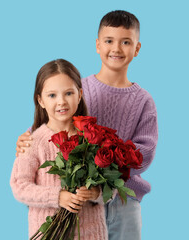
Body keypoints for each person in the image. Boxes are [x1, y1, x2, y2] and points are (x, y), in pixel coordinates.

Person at [15, 10, 158, 240]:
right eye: (109, 41)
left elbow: (146, 152)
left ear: (137, 48)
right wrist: (27, 137)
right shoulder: (74, 86)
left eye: (126, 42)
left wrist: (107, 160)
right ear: (98, 45)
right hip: (77, 197)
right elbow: (55, 120)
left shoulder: (143, 100)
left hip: (122, 197)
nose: (116, 48)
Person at [10, 59, 108, 239]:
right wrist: (58, 196)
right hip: (50, 233)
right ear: (40, 100)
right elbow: (20, 186)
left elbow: (111, 188)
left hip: (92, 233)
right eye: (52, 95)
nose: (61, 101)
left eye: (68, 93)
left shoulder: (93, 138)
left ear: (79, 95)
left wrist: (96, 193)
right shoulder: (33, 141)